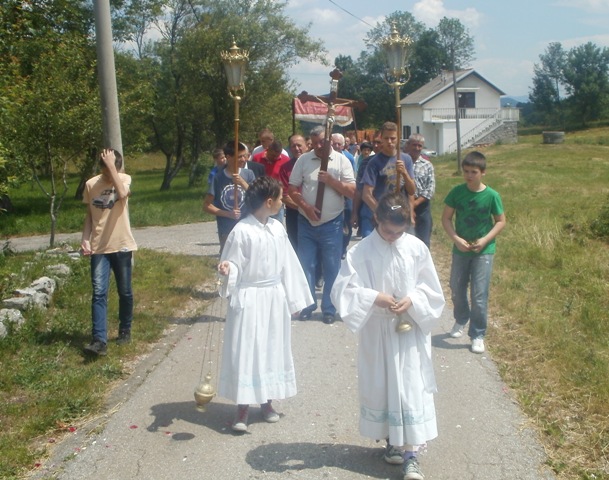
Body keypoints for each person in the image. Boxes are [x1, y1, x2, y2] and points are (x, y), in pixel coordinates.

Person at [331, 192, 445, 480]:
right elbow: (342, 291)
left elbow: (431, 289)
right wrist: (373, 297)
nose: (393, 236)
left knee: (409, 388)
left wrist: (414, 300)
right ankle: (393, 442)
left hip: (409, 331)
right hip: (378, 331)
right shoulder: (361, 251)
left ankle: (411, 454)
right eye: (387, 230)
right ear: (377, 219)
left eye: (399, 231)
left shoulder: (417, 248)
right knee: (383, 387)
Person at [217, 176, 313, 433]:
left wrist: (296, 300)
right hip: (249, 297)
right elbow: (233, 262)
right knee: (247, 348)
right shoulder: (242, 231)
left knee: (271, 347)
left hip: (273, 297)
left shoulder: (277, 229)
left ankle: (267, 402)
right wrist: (229, 268)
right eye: (281, 198)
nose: (283, 202)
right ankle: (242, 406)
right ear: (270, 202)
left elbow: (288, 265)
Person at [288, 125, 355, 324]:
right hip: (306, 221)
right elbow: (292, 188)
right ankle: (308, 305)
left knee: (332, 266)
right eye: (314, 142)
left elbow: (352, 191)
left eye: (322, 142)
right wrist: (306, 207)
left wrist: (332, 181)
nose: (318, 146)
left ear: (328, 141)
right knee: (306, 265)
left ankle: (329, 307)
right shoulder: (304, 160)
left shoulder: (342, 160)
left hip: (332, 224)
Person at [441, 151, 506, 354]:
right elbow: (446, 218)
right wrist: (456, 239)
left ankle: (477, 334)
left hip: (484, 250)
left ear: (483, 173)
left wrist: (486, 239)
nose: (469, 175)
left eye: (474, 172)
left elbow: (501, 221)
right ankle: (461, 318)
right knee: (456, 287)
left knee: (479, 294)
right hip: (461, 249)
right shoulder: (457, 192)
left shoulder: (492, 196)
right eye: (466, 171)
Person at [81, 149, 137, 356]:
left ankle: (125, 330)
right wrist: (85, 238)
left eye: (110, 168)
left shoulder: (124, 178)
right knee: (98, 292)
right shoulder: (90, 184)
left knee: (125, 291)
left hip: (121, 244)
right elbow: (90, 215)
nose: (106, 174)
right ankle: (99, 340)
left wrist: (113, 166)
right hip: (99, 247)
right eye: (104, 170)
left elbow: (122, 194)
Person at [203, 141, 256, 254]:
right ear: (228, 157)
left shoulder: (249, 174)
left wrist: (242, 182)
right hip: (227, 228)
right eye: (239, 156)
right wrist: (228, 214)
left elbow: (256, 197)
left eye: (244, 156)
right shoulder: (218, 178)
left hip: (248, 225)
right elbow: (207, 206)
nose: (244, 159)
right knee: (228, 260)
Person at [362, 122, 416, 227]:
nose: (390, 142)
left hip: (401, 212)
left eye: (393, 138)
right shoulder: (374, 162)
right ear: (381, 138)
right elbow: (366, 194)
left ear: (398, 138)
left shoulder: (406, 159)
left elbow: (412, 191)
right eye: (386, 138)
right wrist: (381, 212)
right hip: (384, 213)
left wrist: (404, 173)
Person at [403, 134, 435, 248]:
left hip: (422, 206)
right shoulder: (402, 163)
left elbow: (430, 189)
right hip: (403, 204)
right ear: (408, 145)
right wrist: (409, 206)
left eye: (419, 146)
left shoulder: (427, 165)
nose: (417, 148)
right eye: (414, 145)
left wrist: (415, 204)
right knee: (404, 241)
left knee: (424, 241)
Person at [279, 134, 308, 249]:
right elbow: (284, 196)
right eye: (293, 146)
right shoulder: (285, 168)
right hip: (294, 214)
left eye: (299, 145)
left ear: (306, 145)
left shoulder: (318, 165)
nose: (296, 149)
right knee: (295, 247)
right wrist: (305, 208)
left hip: (316, 214)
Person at [253, 139, 290, 222]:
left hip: (277, 198)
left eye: (277, 156)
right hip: (261, 198)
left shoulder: (286, 160)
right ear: (268, 149)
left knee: (277, 225)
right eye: (272, 155)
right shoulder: (257, 158)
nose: (274, 158)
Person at [331, 133, 355, 259]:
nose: (336, 146)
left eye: (338, 144)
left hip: (346, 195)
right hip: (332, 195)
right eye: (334, 143)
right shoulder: (326, 158)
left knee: (348, 224)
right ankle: (335, 249)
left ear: (343, 145)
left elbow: (352, 179)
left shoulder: (349, 158)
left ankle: (344, 246)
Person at [351, 141, 374, 238]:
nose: (366, 152)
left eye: (368, 150)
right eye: (364, 150)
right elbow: (359, 189)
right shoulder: (362, 161)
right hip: (366, 207)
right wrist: (355, 212)